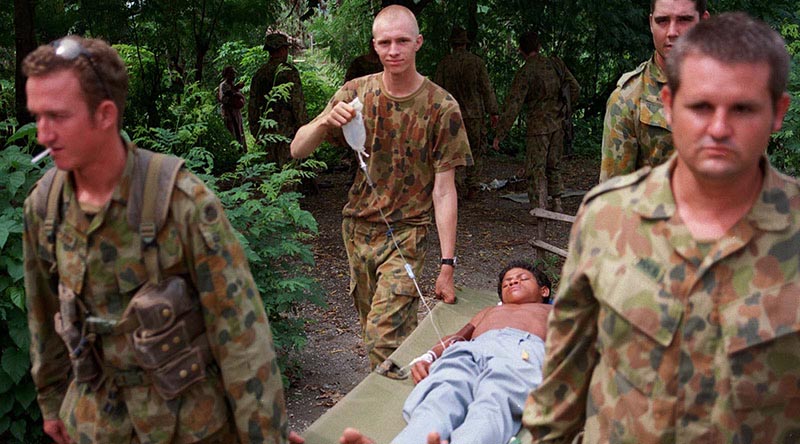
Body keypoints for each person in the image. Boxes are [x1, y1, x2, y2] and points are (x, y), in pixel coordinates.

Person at [527, 13, 796, 443]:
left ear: (777, 112)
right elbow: (560, 389)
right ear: (669, 107)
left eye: (743, 108)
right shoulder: (607, 219)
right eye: (700, 107)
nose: (719, 129)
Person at [22, 36, 302, 444]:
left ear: (105, 114)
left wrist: (263, 436)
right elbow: (42, 313)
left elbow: (242, 340)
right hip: (94, 423)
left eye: (58, 117)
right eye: (37, 116)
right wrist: (50, 403)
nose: (43, 135)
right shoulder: (44, 207)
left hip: (189, 424)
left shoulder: (180, 201)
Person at [291, 5, 472, 369]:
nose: (394, 50)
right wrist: (327, 120)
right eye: (385, 42)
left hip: (407, 232)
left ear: (418, 43)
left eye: (402, 41)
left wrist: (447, 264)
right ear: (374, 46)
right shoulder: (356, 93)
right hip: (357, 229)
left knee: (382, 337)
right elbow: (297, 149)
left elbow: (444, 190)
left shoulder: (442, 106)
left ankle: (393, 415)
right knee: (382, 338)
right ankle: (410, 404)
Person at [339, 260, 552, 444]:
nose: (513, 281)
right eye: (507, 282)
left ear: (544, 291)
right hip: (471, 349)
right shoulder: (491, 311)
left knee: (496, 398)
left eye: (523, 278)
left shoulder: (553, 311)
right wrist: (429, 355)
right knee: (442, 392)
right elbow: (459, 336)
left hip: (521, 349)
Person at [598, 0, 709, 182]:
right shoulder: (628, 99)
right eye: (662, 21)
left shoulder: (733, 90)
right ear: (651, 23)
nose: (672, 32)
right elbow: (614, 196)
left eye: (684, 20)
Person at [492, 31, 579, 213]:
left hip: (537, 127)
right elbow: (575, 88)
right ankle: (557, 203)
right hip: (558, 123)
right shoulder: (555, 64)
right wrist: (565, 109)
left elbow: (513, 105)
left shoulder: (526, 71)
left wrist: (500, 134)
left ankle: (539, 208)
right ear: (539, 47)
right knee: (554, 164)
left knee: (536, 168)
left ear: (520, 50)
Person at [433, 26, 499, 200]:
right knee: (475, 151)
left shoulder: (444, 64)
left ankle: (457, 187)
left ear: (452, 44)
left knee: (454, 152)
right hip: (474, 115)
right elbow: (486, 88)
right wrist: (494, 112)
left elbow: (437, 91)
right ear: (465, 43)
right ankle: (473, 186)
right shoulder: (477, 62)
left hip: (451, 116)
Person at [249, 32, 307, 167]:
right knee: (288, 175)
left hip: (267, 134)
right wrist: (304, 129)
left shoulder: (259, 74)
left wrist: (256, 131)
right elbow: (298, 104)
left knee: (272, 173)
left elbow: (253, 106)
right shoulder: (289, 72)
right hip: (288, 134)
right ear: (282, 49)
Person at [218, 65, 247, 149]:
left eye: (234, 73)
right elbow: (224, 98)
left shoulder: (232, 85)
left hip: (236, 113)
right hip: (229, 113)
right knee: (232, 133)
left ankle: (241, 150)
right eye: (231, 73)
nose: (233, 75)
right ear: (226, 74)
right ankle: (233, 151)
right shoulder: (223, 85)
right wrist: (235, 92)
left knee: (239, 131)